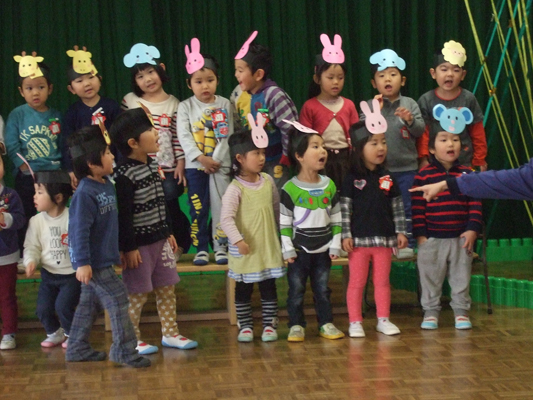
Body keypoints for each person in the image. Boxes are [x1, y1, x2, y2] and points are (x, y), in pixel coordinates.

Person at [111, 108, 198, 355]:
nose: (157, 133)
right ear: (133, 143)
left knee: (167, 289)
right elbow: (124, 216)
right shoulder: (124, 175)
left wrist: (168, 231)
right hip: (139, 247)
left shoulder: (152, 164)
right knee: (137, 295)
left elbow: (162, 202)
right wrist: (129, 248)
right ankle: (131, 339)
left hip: (161, 241)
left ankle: (170, 333)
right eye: (150, 130)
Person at [65, 125, 150, 368]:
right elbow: (78, 231)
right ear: (92, 163)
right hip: (93, 263)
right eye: (107, 153)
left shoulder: (105, 184)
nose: (113, 156)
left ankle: (77, 347)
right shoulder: (84, 193)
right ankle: (124, 351)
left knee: (89, 303)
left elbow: (110, 226)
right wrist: (82, 263)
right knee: (119, 298)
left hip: (103, 259)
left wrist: (118, 250)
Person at [122, 43, 191, 259]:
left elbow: (178, 137)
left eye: (151, 72)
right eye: (140, 76)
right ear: (134, 81)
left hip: (168, 168)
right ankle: (152, 249)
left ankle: (179, 245)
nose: (147, 79)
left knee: (169, 206)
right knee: (145, 209)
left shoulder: (174, 103)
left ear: (161, 70)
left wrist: (181, 163)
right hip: (140, 169)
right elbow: (124, 134)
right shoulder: (130, 101)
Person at [411, 120, 482, 330]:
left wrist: (472, 229)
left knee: (461, 277)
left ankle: (461, 312)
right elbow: (417, 208)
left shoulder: (468, 174)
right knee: (430, 278)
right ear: (432, 149)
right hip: (432, 239)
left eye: (455, 139)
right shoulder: (423, 175)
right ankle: (430, 311)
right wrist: (421, 236)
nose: (450, 144)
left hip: (461, 238)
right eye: (443, 140)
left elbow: (475, 204)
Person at [340, 118, 408, 338]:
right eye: (374, 143)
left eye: (383, 142)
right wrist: (345, 235)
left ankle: (383, 319)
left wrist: (400, 231)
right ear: (359, 148)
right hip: (359, 242)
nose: (381, 148)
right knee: (357, 282)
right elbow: (344, 209)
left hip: (384, 241)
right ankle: (355, 322)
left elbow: (397, 207)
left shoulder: (388, 177)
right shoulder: (351, 178)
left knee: (382, 282)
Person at [280, 122, 344, 342]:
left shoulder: (329, 185)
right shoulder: (289, 188)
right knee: (296, 291)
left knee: (323, 290)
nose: (322, 151)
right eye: (315, 146)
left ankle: (326, 323)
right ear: (299, 156)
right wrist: (288, 249)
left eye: (323, 146)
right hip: (299, 251)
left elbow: (336, 217)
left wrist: (335, 244)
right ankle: (296, 325)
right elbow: (284, 223)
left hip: (324, 250)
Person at [220, 128, 285, 342]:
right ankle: (245, 325)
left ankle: (269, 325)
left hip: (267, 247)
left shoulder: (267, 180)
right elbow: (226, 219)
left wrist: (283, 236)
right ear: (240, 158)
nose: (262, 157)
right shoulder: (235, 188)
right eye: (256, 153)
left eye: (263, 152)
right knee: (243, 289)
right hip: (246, 250)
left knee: (268, 287)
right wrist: (238, 241)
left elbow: (276, 210)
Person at [177, 42, 233, 265]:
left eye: (210, 80)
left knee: (222, 207)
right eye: (198, 81)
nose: (205, 86)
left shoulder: (225, 104)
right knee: (198, 208)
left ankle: (220, 246)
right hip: (196, 167)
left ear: (217, 80)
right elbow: (184, 136)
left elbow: (227, 135)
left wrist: (215, 160)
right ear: (189, 84)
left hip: (220, 166)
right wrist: (201, 159)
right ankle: (200, 248)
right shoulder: (185, 107)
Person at [366, 49, 425, 256]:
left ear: (403, 80)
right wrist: (375, 112)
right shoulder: (372, 106)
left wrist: (410, 120)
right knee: (383, 207)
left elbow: (420, 131)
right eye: (381, 75)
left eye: (393, 74)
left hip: (408, 170)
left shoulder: (410, 104)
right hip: (382, 171)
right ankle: (386, 243)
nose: (388, 79)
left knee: (407, 207)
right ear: (374, 83)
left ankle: (407, 244)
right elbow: (364, 135)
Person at [5, 54, 62, 264]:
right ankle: (26, 255)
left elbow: (61, 144)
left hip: (53, 174)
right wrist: (23, 167)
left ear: (50, 88)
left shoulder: (56, 115)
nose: (35, 92)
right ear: (21, 91)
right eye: (29, 88)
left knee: (54, 214)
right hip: (27, 176)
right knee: (28, 214)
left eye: (40, 87)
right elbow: (11, 143)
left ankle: (54, 252)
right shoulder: (17, 114)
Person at [233, 31, 298, 191]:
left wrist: (286, 156)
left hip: (276, 160)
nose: (236, 75)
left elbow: (289, 128)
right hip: (256, 162)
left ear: (258, 74)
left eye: (240, 70)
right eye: (236, 70)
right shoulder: (245, 96)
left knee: (276, 195)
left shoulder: (274, 95)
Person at [24, 169, 80, 348]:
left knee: (63, 306)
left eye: (40, 192)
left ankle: (73, 335)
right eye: (35, 191)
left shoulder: (73, 217)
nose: (35, 196)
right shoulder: (36, 221)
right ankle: (54, 332)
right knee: (43, 308)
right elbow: (32, 246)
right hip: (49, 275)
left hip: (71, 275)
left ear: (58, 197)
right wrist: (30, 261)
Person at [299, 33, 359, 189]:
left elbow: (357, 136)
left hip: (346, 160)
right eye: (330, 77)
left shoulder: (349, 105)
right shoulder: (310, 106)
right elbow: (305, 139)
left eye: (340, 77)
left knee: (345, 194)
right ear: (317, 79)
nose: (336, 82)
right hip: (321, 161)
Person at [417, 40, 487, 171]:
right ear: (433, 73)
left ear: (463, 75)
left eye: (456, 70)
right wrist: (423, 158)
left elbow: (477, 132)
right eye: (444, 69)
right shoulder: (426, 100)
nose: (450, 74)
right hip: (434, 163)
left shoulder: (468, 99)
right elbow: (423, 134)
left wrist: (479, 159)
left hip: (464, 162)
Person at [62, 45, 122, 188]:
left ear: (99, 79)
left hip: (112, 165)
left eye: (91, 77)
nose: (87, 83)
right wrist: (71, 169)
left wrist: (122, 163)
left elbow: (120, 136)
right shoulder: (72, 113)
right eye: (79, 81)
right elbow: (67, 143)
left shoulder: (111, 106)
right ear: (71, 89)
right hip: (85, 169)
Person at [0, 156, 25, 350]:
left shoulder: (10, 195)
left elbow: (20, 220)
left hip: (7, 256)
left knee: (7, 295)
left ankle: (8, 333)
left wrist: (5, 219)